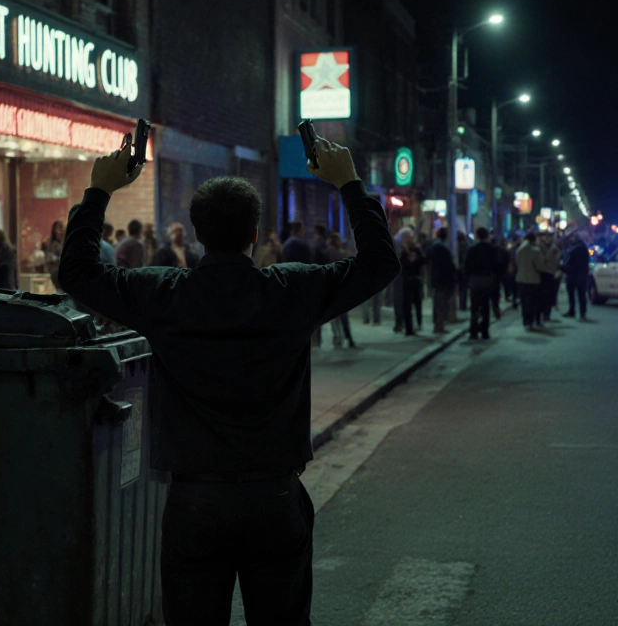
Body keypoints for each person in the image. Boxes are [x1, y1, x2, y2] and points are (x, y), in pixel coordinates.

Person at [58, 133, 398, 624]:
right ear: (254, 233)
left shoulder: (165, 294)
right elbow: (380, 263)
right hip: (274, 497)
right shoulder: (292, 289)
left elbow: (77, 272)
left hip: (195, 501)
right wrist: (348, 184)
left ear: (197, 233)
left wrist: (99, 191)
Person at [464, 227, 498, 340]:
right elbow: (495, 265)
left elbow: (467, 265)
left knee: (474, 307)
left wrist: (467, 278)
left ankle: (473, 330)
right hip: (487, 280)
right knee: (485, 306)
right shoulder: (491, 249)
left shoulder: (472, 249)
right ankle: (484, 331)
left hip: (474, 280)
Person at [326, 232, 357, 348]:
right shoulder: (340, 254)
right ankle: (348, 338)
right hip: (341, 288)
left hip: (332, 288)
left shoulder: (328, 253)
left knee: (334, 318)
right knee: (343, 317)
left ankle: (338, 338)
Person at [428, 227, 456, 334]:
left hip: (437, 279)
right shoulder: (443, 247)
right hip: (443, 280)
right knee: (441, 304)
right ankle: (439, 326)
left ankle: (439, 325)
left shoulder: (435, 246)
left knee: (439, 303)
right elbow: (449, 265)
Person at [515, 232, 545, 330]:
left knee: (524, 301)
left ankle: (525, 320)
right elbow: (540, 266)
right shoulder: (535, 251)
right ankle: (531, 321)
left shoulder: (519, 250)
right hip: (533, 279)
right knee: (532, 302)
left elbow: (517, 263)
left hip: (521, 279)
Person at [399, 230, 424, 336]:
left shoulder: (416, 249)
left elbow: (423, 261)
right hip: (407, 280)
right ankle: (408, 328)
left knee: (417, 303)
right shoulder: (402, 250)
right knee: (407, 305)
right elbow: (401, 265)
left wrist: (416, 257)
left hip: (416, 279)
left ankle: (419, 323)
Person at [561, 234, 590, 320]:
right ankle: (582, 313)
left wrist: (563, 268)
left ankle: (573, 311)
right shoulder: (582, 248)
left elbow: (569, 262)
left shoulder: (573, 249)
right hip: (581, 274)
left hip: (573, 274)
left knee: (573, 294)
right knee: (581, 295)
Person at [539, 234, 562, 323]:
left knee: (549, 295)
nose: (547, 239)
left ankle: (546, 314)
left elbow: (557, 259)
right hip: (544, 273)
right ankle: (543, 314)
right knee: (544, 295)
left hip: (551, 273)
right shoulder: (541, 248)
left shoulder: (553, 248)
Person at [41, 219, 66, 290]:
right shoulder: (48, 242)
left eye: (60, 229)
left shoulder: (67, 242)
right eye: (56, 229)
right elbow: (47, 258)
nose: (58, 232)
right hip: (53, 272)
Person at [491, 236, 509, 320]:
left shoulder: (490, 251)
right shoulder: (502, 250)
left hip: (491, 274)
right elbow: (507, 260)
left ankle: (494, 308)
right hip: (499, 273)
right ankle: (496, 308)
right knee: (496, 292)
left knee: (492, 292)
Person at [456, 231, 470, 311]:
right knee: (463, 289)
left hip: (462, 270)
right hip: (465, 270)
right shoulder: (467, 245)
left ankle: (462, 305)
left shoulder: (461, 246)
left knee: (462, 289)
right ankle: (463, 304)